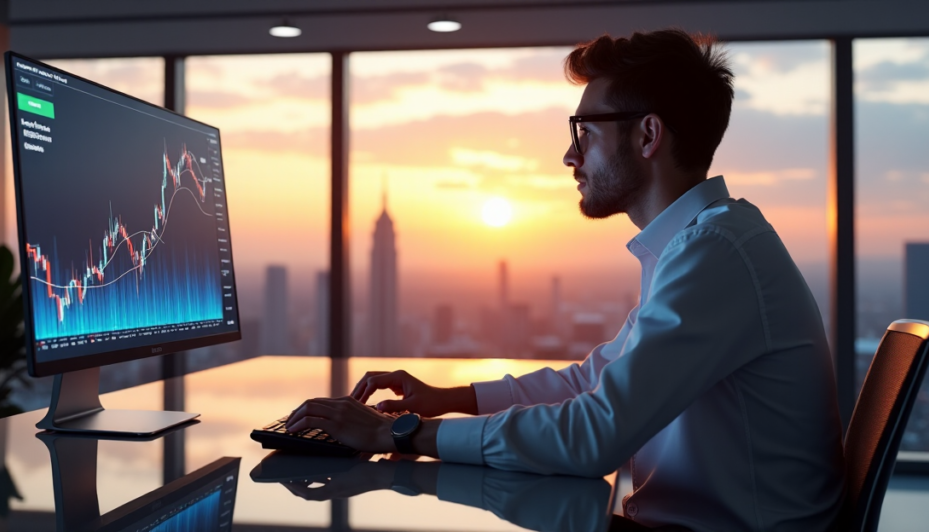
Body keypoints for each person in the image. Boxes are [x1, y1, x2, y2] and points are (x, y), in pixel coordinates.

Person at [287, 28, 845, 531]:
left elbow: (593, 436)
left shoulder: (714, 253)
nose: (568, 155)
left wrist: (397, 433)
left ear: (648, 136)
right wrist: (445, 399)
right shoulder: (702, 243)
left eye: (584, 132)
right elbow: (591, 383)